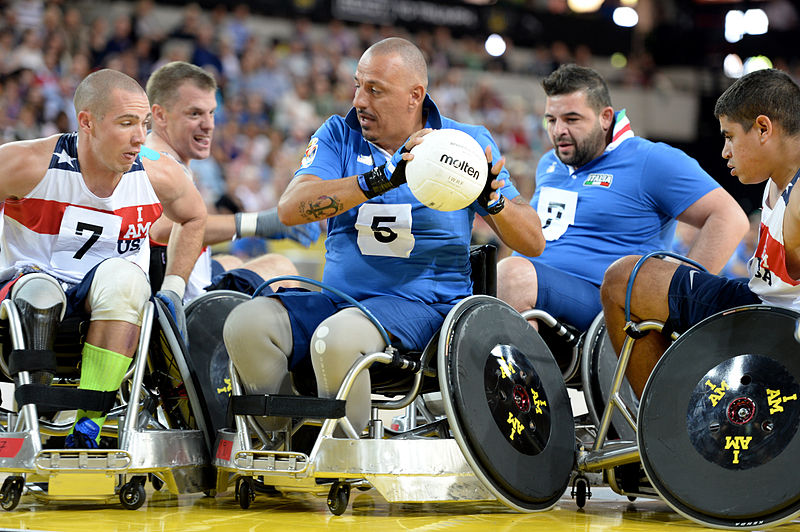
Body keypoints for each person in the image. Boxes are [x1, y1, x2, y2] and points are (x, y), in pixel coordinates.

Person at [222, 37, 545, 435]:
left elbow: (533, 242)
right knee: (247, 324)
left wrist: (492, 201)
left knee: (339, 338)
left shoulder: (464, 144)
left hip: (426, 309)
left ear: (415, 96)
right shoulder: (339, 134)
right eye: (358, 85)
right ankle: (280, 444)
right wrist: (378, 180)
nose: (359, 100)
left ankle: (343, 463)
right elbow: (291, 208)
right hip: (339, 302)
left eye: (375, 90)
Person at [0, 69, 206, 448]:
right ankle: (35, 413)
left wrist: (174, 288)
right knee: (39, 291)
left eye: (143, 124)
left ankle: (86, 429)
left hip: (107, 302)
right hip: (27, 292)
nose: (139, 137)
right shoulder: (28, 163)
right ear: (87, 122)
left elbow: (195, 217)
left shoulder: (158, 172)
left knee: (127, 281)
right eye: (126, 123)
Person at [496, 64, 748, 333]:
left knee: (512, 276)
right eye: (551, 120)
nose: (558, 130)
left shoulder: (650, 160)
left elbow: (730, 218)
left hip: (605, 307)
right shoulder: (549, 162)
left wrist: (676, 295)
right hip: (536, 290)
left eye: (571, 119)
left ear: (605, 117)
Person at [600, 68, 800, 398]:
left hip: (773, 328)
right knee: (626, 278)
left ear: (763, 128)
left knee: (622, 281)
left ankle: (668, 433)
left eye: (729, 136)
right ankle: (669, 422)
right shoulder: (777, 177)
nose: (724, 151)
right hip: (756, 300)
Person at [144, 61, 320, 302]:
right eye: (194, 113)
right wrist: (261, 224)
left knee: (232, 261)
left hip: (175, 275)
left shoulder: (155, 153)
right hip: (173, 298)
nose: (208, 125)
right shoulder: (160, 165)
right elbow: (162, 229)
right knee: (281, 267)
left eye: (212, 112)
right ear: (160, 115)